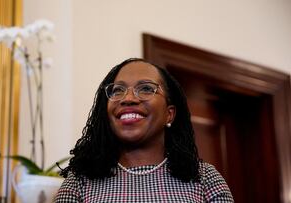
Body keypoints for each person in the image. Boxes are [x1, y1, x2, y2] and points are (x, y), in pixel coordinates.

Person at [55, 58, 234, 202]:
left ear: (169, 114)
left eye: (146, 88)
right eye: (118, 90)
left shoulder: (205, 178)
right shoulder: (79, 181)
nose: (128, 99)